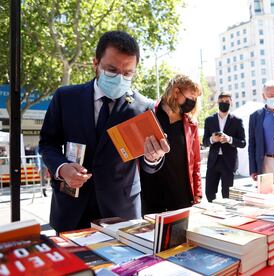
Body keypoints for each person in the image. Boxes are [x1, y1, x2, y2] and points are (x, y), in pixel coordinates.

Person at [39, 31, 170, 233]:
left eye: (127, 73)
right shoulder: (66, 98)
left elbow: (149, 165)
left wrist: (153, 157)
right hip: (71, 210)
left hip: (122, 212)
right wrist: (62, 168)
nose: (119, 78)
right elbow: (48, 143)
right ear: (95, 63)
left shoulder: (142, 107)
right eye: (111, 70)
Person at [139, 74, 202, 215]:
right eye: (192, 95)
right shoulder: (148, 114)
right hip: (151, 199)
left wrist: (198, 195)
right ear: (176, 91)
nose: (194, 101)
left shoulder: (191, 124)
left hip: (182, 199)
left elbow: (196, 163)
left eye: (196, 97)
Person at [203, 91, 246, 202]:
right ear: (217, 102)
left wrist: (229, 139)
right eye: (222, 101)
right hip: (213, 161)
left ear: (231, 102)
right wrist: (212, 139)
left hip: (229, 162)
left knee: (227, 194)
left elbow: (243, 143)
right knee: (209, 192)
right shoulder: (209, 120)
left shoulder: (237, 121)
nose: (224, 103)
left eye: (227, 101)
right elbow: (205, 142)